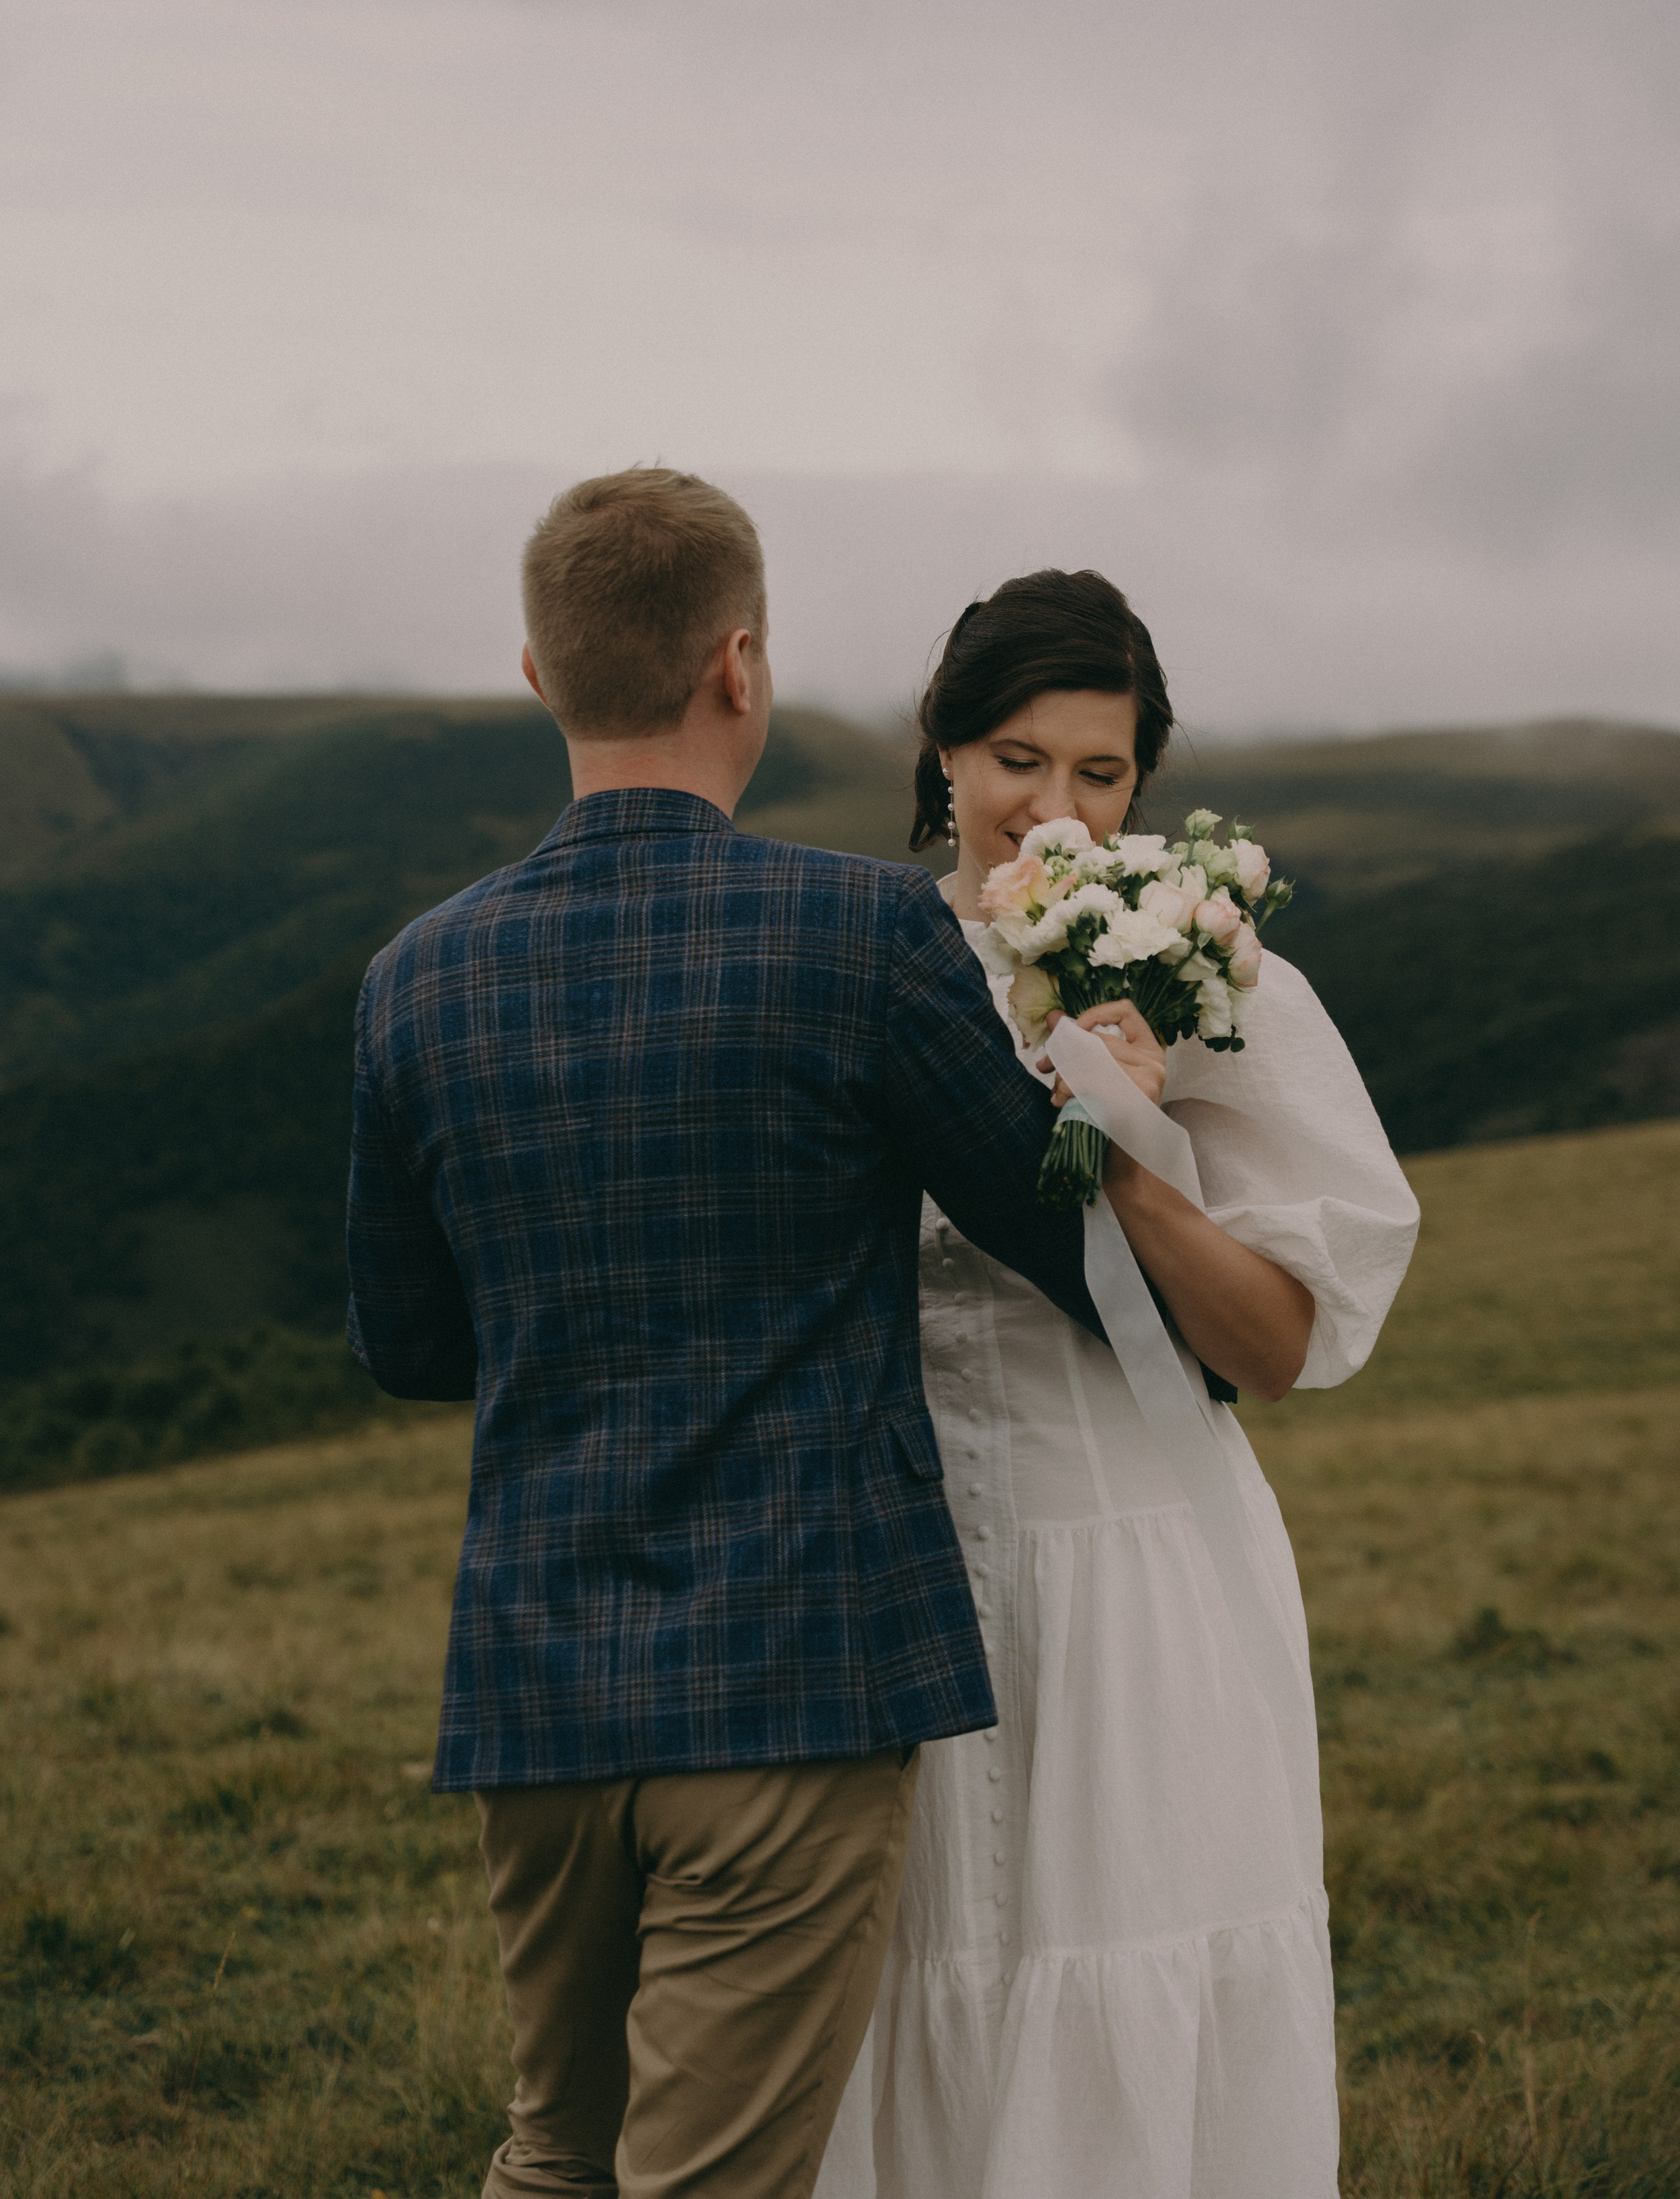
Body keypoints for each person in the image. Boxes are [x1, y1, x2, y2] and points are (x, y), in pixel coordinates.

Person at [344, 473, 1112, 2199]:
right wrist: (1106, 1092)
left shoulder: (413, 977)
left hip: (536, 1688)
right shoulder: (864, 936)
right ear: (741, 668)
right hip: (788, 1678)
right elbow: (1061, 1241)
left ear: (538, 677)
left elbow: (402, 1340)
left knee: (555, 2155)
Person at [814, 571, 1420, 2199]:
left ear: (1141, 783)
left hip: (1139, 1555)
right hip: (903, 1567)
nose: (1051, 810)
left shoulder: (1209, 977)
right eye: (1015, 758)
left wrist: (1131, 1151)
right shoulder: (857, 962)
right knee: (910, 1972)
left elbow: (1278, 1349)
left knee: (1132, 1944)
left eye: (1098, 773)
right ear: (938, 748)